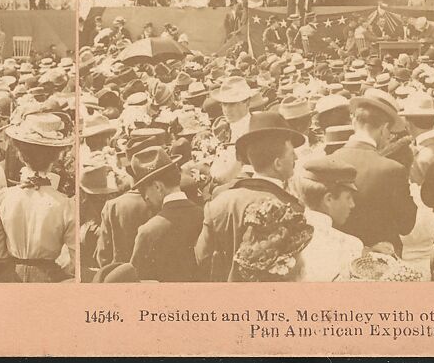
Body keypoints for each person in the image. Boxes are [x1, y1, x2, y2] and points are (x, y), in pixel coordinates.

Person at [196, 112, 305, 281]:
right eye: (291, 153)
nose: (296, 157)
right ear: (277, 163)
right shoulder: (289, 209)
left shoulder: (218, 204)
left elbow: (202, 258)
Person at [0, 113, 77, 282]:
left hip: (11, 276)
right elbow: (75, 259)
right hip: (48, 278)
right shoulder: (65, 204)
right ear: (56, 156)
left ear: (20, 155)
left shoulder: (5, 197)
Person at [330, 89, 417, 255]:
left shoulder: (330, 161)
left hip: (341, 260)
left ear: (355, 123)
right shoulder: (392, 169)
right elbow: (407, 225)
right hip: (384, 262)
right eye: (389, 133)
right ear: (384, 129)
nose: (388, 138)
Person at [128, 147, 203, 282]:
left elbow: (137, 281)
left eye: (144, 189)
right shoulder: (205, 216)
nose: (145, 196)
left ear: (158, 187)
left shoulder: (148, 232)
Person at [290, 158, 363, 282]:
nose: (352, 205)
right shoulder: (349, 245)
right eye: (348, 197)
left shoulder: (287, 238)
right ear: (328, 199)